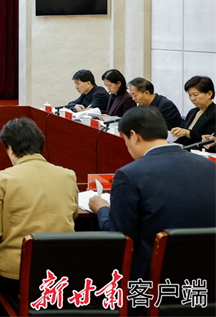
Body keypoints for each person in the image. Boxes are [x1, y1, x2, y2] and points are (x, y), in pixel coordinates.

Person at [89, 106, 216, 282]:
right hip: (207, 276)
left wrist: (102, 209)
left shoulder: (130, 175)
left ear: (133, 136)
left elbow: (119, 237)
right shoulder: (210, 167)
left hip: (152, 281)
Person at [0, 118, 78, 301]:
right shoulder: (68, 175)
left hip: (15, 275)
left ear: (10, 148)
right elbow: (74, 216)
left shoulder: (3, 178)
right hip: (61, 272)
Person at [170, 75, 216, 150]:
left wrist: (188, 133)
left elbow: (209, 140)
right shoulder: (193, 112)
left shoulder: (214, 113)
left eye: (195, 95)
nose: (192, 98)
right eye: (190, 95)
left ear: (209, 94)